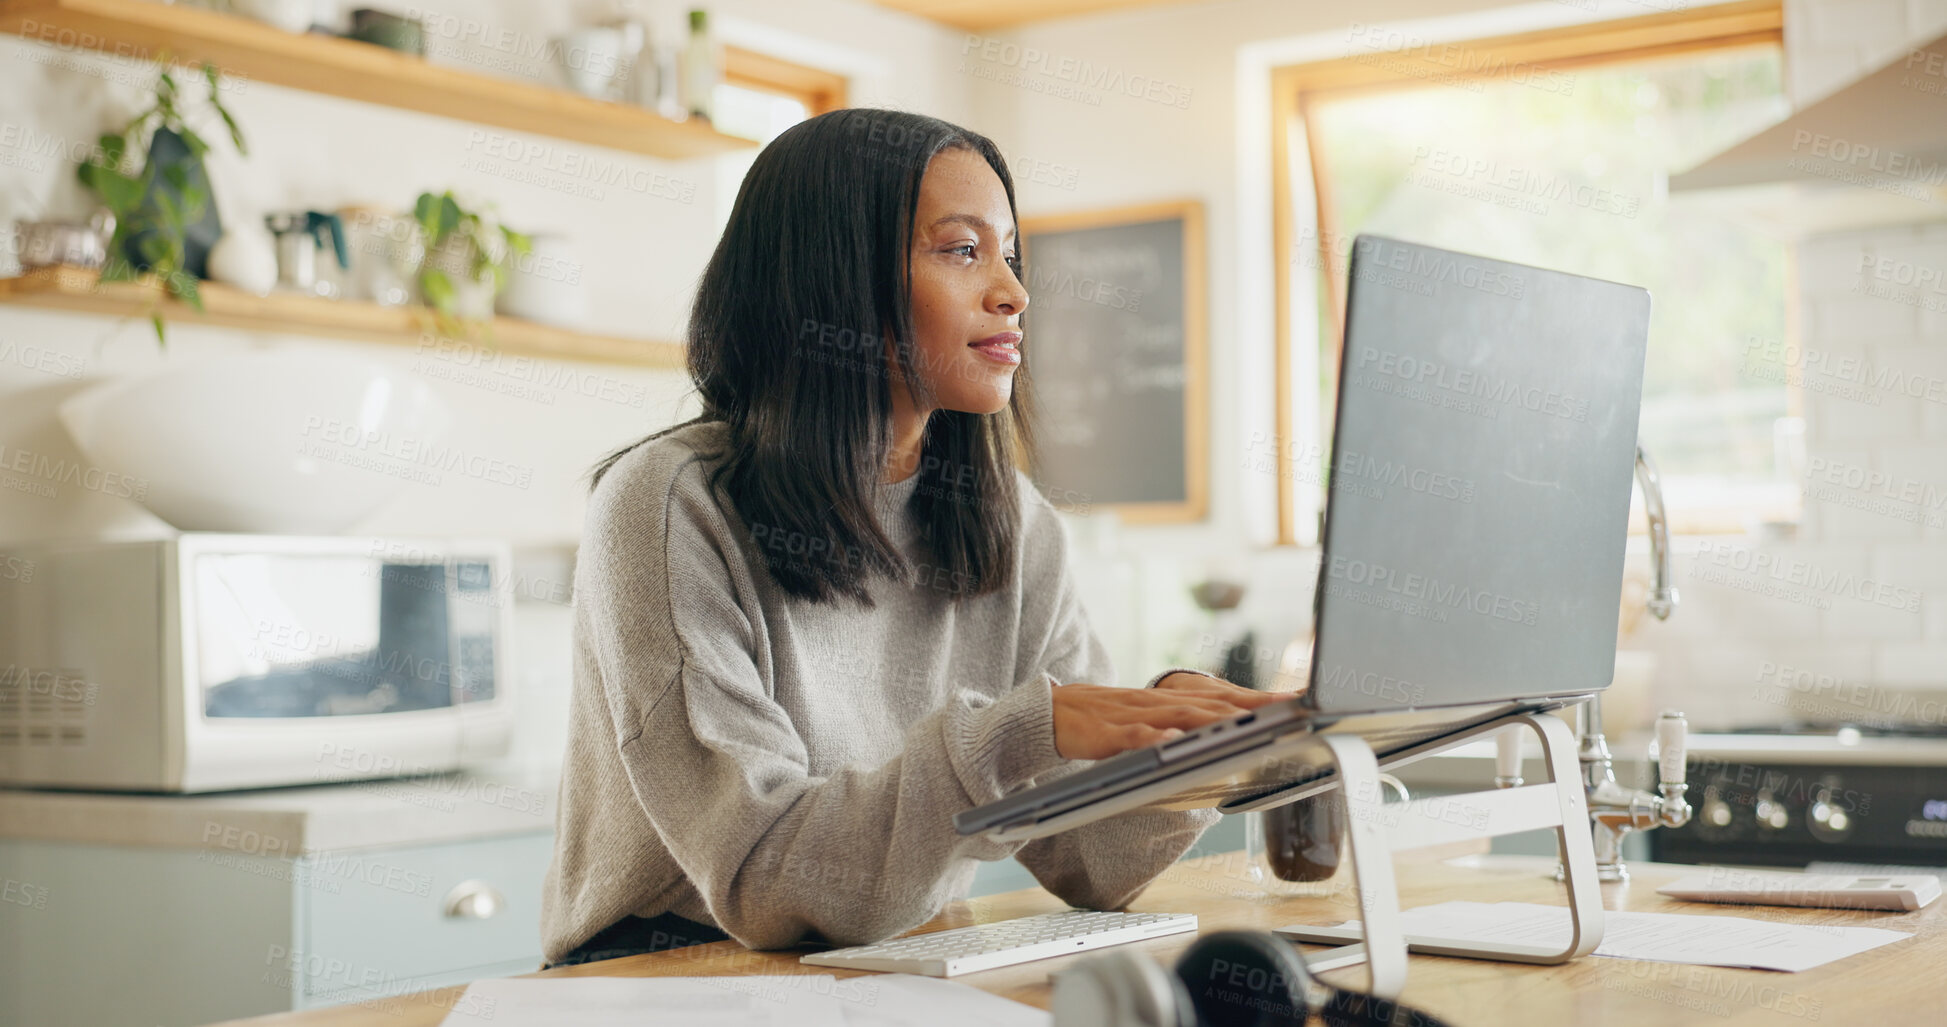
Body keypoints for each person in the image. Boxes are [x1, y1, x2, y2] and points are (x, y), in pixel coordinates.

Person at [539, 108, 1295, 968]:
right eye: (960, 250)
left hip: (885, 964)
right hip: (666, 978)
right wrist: (1016, 734)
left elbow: (1087, 859)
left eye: (1009, 253)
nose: (1012, 291)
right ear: (833, 279)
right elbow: (768, 879)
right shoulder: (668, 507)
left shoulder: (1012, 520)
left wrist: (1199, 745)